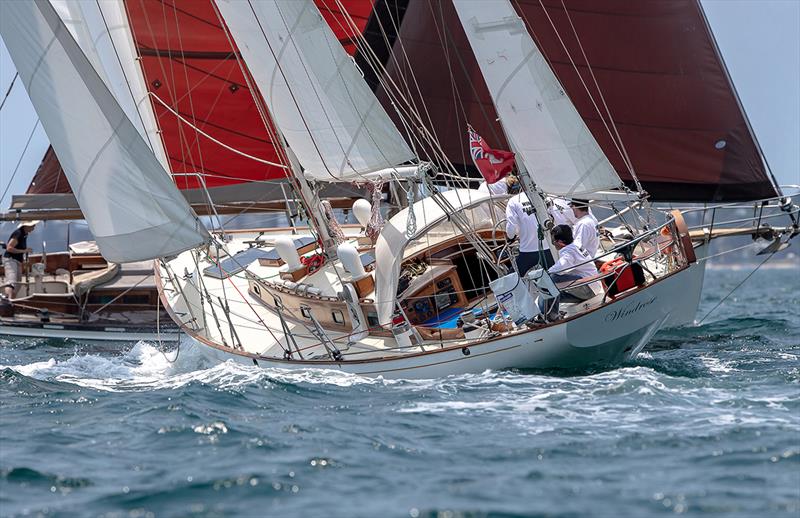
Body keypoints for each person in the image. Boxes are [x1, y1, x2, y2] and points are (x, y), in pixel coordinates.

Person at [537, 224, 599, 319]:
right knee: (554, 294)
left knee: (550, 279)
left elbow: (561, 267)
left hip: (588, 289)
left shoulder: (568, 251)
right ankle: (549, 314)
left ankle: (548, 317)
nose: (554, 244)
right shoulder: (577, 244)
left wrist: (545, 274)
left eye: (553, 242)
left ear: (561, 242)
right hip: (594, 287)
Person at [506, 191, 554, 276]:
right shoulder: (546, 196)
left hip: (528, 250)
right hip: (549, 248)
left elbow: (511, 227)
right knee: (553, 280)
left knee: (511, 279)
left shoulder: (513, 201)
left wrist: (510, 237)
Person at [3, 221, 38, 299]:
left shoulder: (25, 234)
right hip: (10, 259)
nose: (34, 227)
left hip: (17, 260)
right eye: (33, 225)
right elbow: (9, 248)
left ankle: (12, 300)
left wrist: (24, 251)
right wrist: (24, 251)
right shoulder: (18, 233)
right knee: (12, 282)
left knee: (18, 283)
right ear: (26, 226)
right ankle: (8, 301)